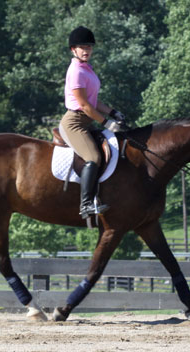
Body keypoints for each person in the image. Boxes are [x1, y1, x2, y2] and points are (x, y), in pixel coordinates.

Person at [60, 26, 127, 220]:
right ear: (73, 49)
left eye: (89, 46)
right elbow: (84, 104)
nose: (87, 50)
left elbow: (94, 101)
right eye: (82, 47)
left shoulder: (86, 69)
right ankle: (86, 204)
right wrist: (107, 123)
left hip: (87, 119)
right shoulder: (76, 71)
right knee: (93, 157)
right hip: (74, 122)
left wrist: (113, 112)